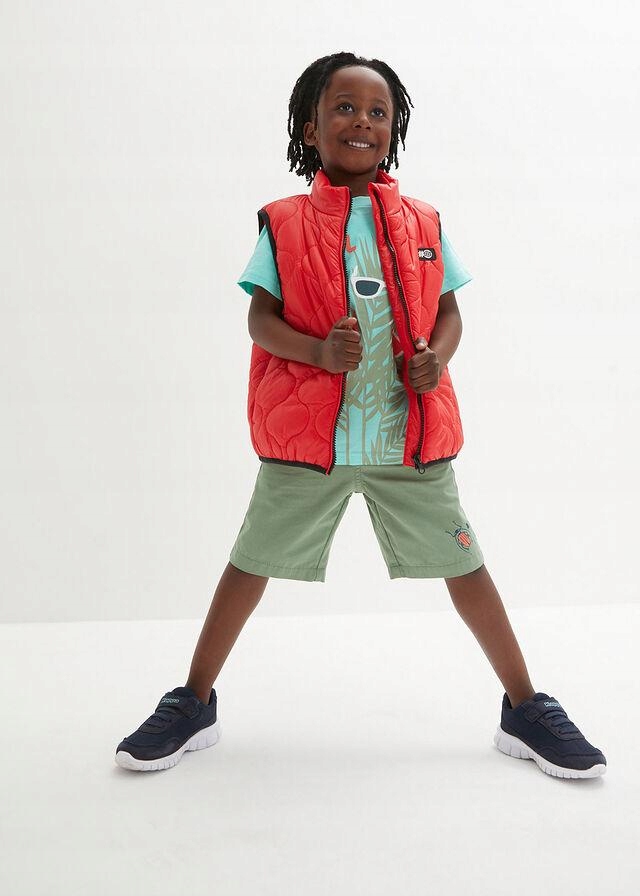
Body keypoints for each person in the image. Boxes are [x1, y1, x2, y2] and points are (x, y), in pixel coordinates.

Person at [115, 51, 606, 779]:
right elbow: (260, 320)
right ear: (309, 129)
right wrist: (318, 351)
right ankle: (193, 700)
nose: (362, 122)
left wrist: (437, 359)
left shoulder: (424, 220)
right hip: (310, 445)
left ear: (393, 130)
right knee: (249, 564)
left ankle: (525, 706)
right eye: (343, 107)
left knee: (466, 565)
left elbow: (449, 315)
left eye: (379, 112)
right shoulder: (284, 223)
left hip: (408, 442)